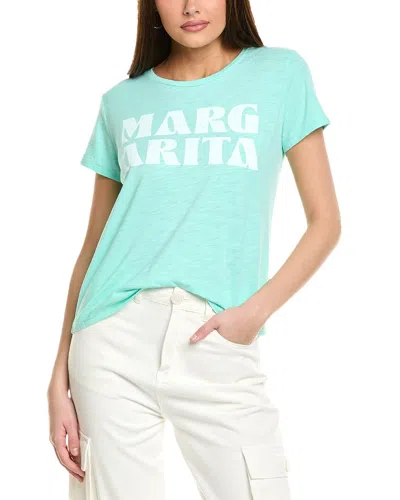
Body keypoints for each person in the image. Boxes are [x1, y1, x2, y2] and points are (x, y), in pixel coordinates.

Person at [47, 1, 340, 498]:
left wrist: (252, 314)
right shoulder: (122, 101)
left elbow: (325, 222)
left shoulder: (280, 74)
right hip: (110, 340)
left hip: (214, 334)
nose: (190, 6)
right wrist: (60, 375)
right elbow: (94, 243)